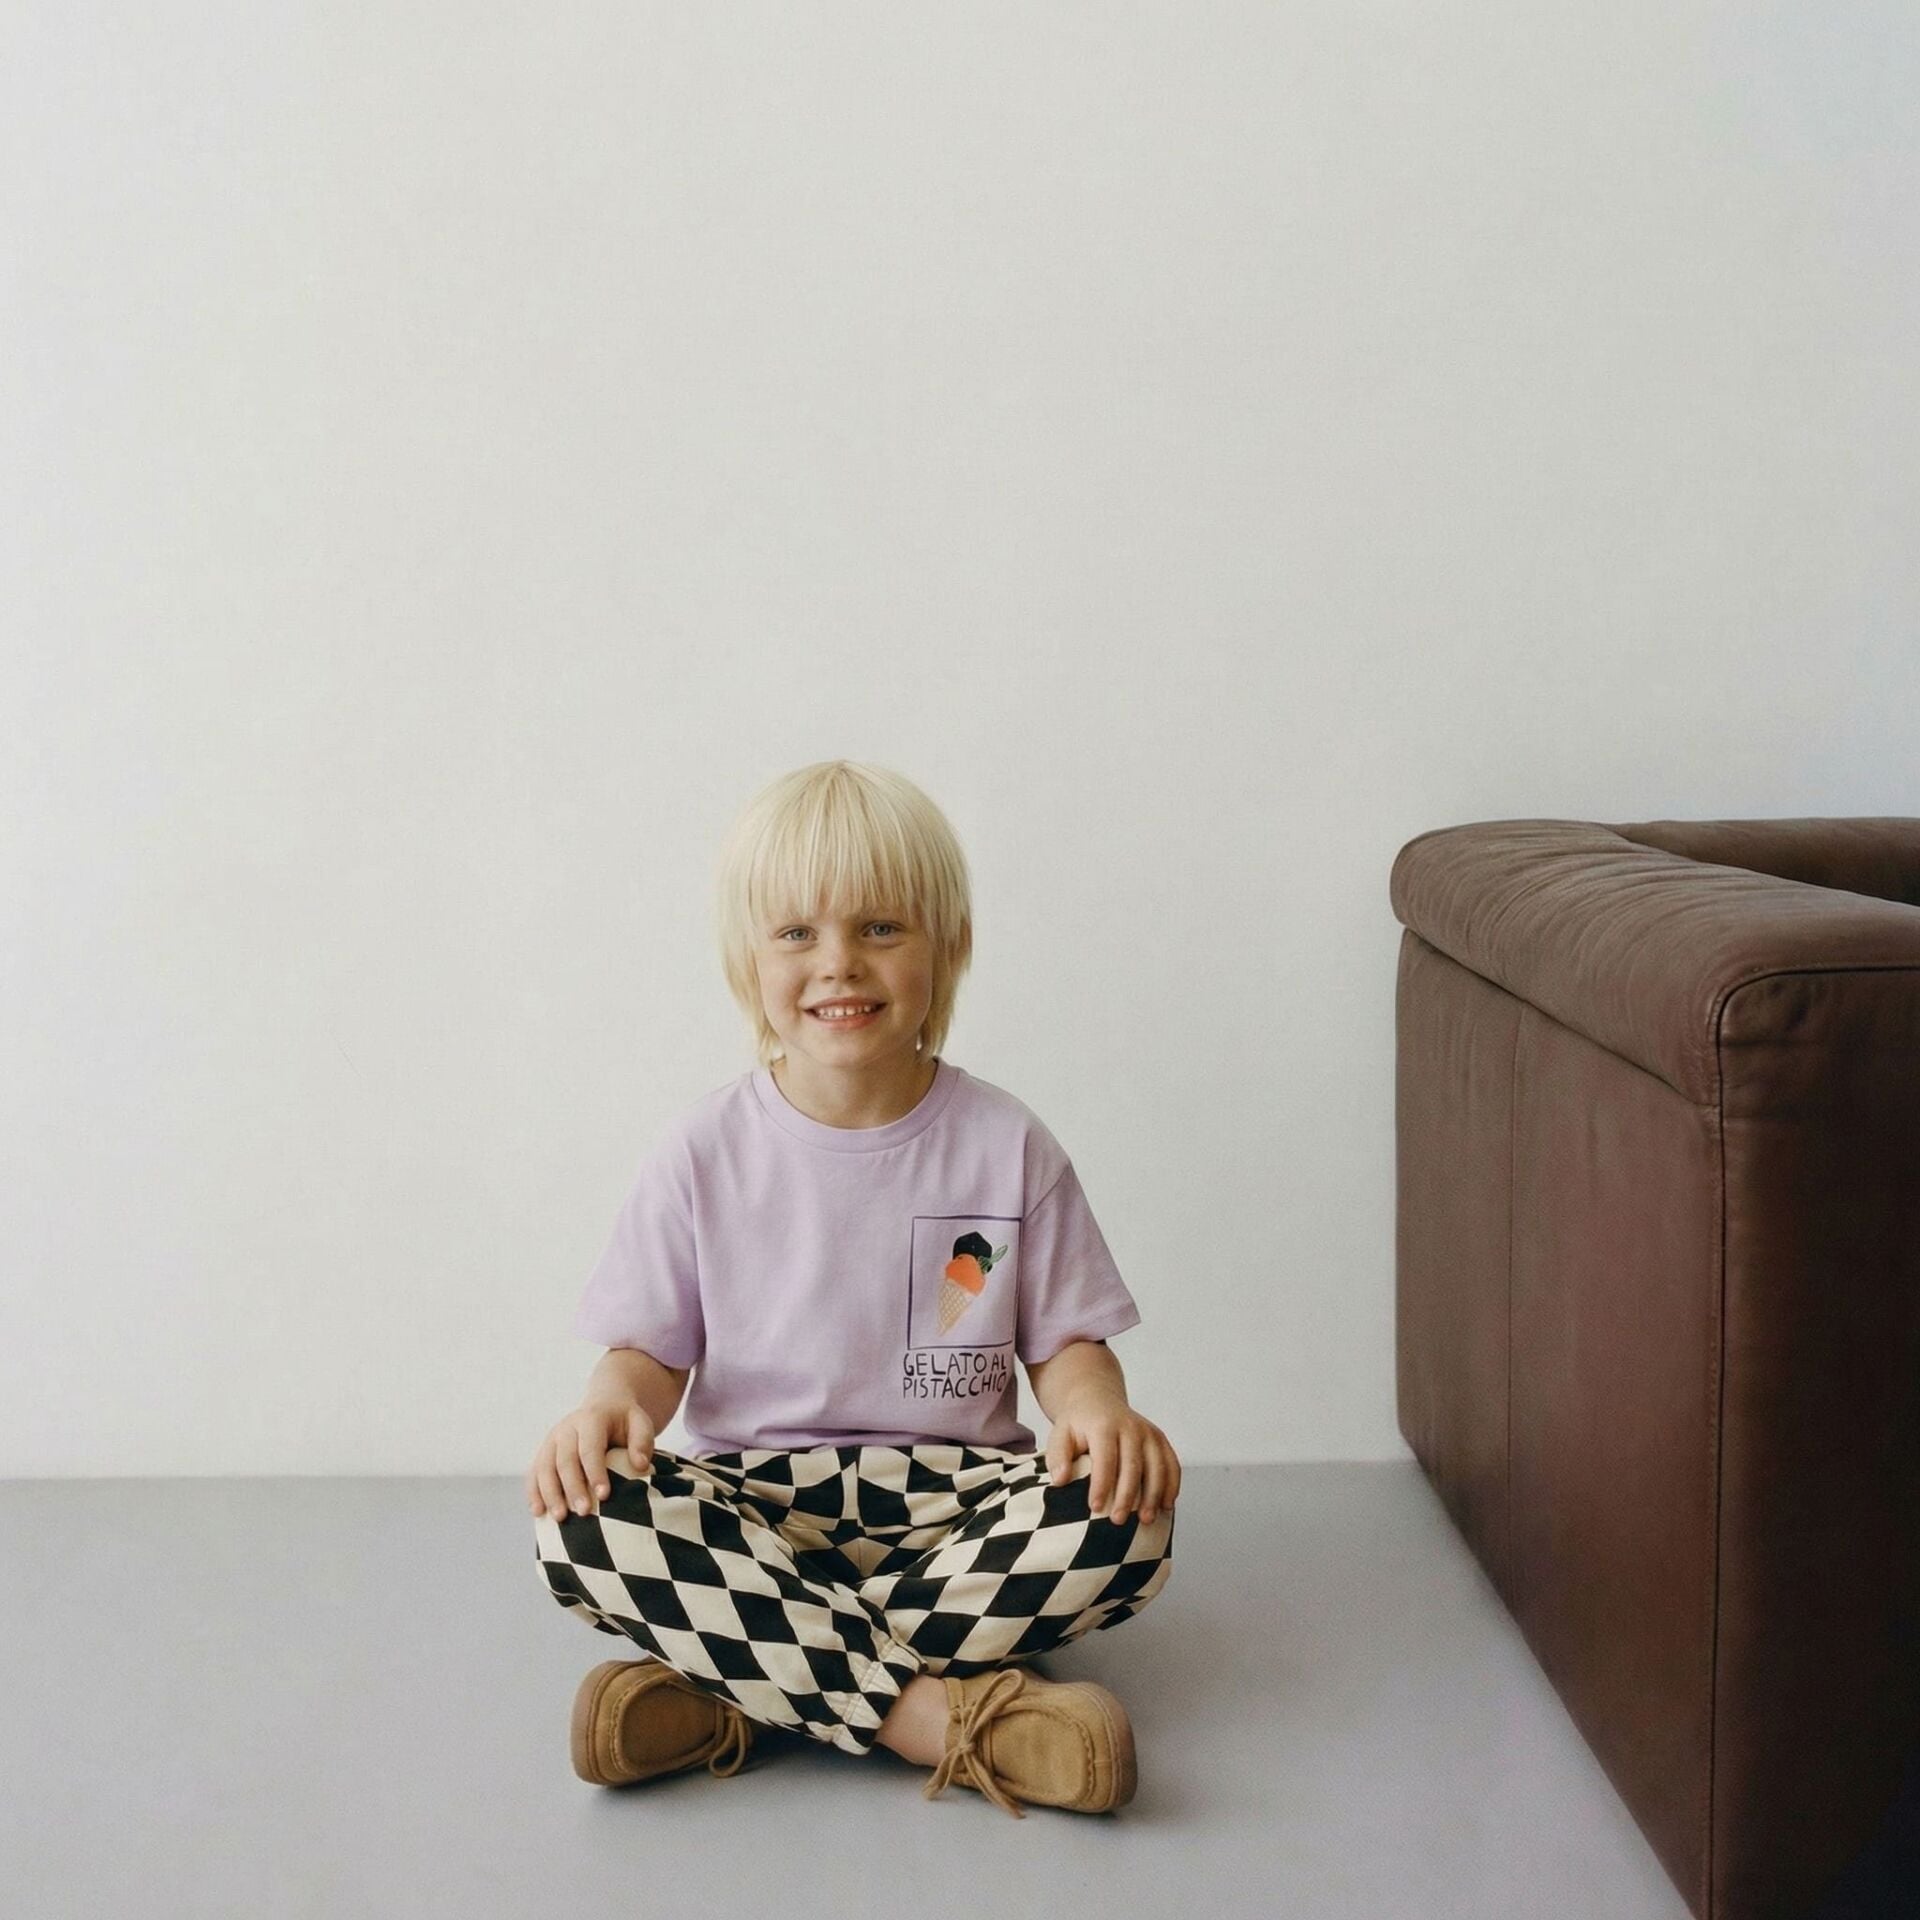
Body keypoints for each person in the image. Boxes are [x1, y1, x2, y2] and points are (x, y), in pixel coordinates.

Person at [527, 759, 1181, 1818]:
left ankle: (739, 1691)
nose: (839, 962)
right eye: (796, 933)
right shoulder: (701, 1152)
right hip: (753, 1507)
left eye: (881, 927)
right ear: (747, 961)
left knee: (1130, 1519)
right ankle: (947, 1723)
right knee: (582, 1515)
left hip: (958, 1503)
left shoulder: (1007, 1145)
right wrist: (609, 1407)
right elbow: (646, 1354)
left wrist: (1098, 1413)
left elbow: (1066, 1345)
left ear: (948, 946)